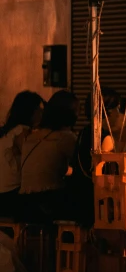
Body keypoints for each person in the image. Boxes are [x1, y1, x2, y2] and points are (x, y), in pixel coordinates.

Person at [18, 90, 80, 223]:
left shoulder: (31, 136)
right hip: (47, 201)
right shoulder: (65, 138)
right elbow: (81, 165)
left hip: (24, 201)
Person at [0, 91, 45, 217]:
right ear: (31, 111)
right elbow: (32, 161)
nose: (42, 113)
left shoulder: (7, 132)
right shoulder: (22, 132)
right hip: (11, 196)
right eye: (39, 109)